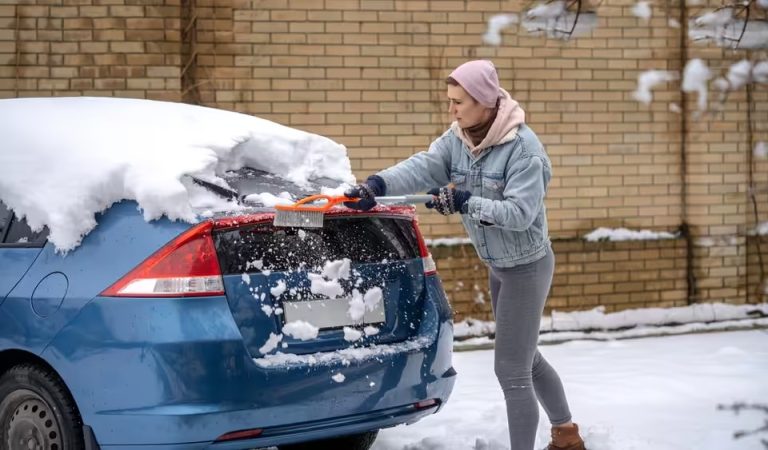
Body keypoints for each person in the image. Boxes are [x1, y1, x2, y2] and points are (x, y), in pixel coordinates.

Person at [344, 60, 587, 450]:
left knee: (511, 370)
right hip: (499, 266)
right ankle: (567, 434)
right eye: (450, 101)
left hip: (527, 267)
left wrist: (466, 202)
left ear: (486, 101)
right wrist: (377, 183)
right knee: (527, 359)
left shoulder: (524, 151)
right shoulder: (459, 137)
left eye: (459, 102)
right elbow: (424, 166)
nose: (452, 109)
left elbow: (520, 215)